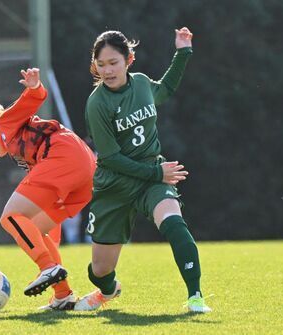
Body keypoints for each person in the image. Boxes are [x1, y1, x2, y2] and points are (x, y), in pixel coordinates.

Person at [74, 28, 212, 313]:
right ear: (94, 65)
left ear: (129, 60)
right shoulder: (96, 103)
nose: (107, 70)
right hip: (114, 184)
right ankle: (109, 292)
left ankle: (195, 296)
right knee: (99, 271)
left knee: (174, 222)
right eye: (101, 64)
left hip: (150, 174)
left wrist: (183, 52)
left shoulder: (140, 83)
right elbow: (110, 158)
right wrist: (157, 174)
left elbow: (165, 89)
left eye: (114, 63)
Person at [0, 68, 96, 310]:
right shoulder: (23, 151)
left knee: (9, 217)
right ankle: (63, 295)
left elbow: (33, 98)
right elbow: (50, 227)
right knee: (36, 228)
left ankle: (47, 267)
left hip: (64, 156)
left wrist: (34, 87)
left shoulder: (4, 122)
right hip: (84, 171)